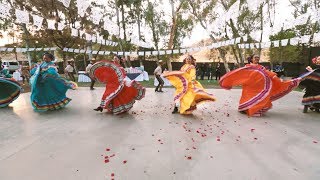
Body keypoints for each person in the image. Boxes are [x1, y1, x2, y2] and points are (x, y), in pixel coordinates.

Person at [219, 54, 301, 117]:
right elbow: (243, 75)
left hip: (260, 87)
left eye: (258, 58)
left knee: (261, 97)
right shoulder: (248, 67)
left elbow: (267, 73)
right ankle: (244, 109)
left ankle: (254, 109)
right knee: (246, 97)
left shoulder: (261, 67)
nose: (257, 59)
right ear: (251, 59)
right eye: (255, 57)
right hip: (250, 86)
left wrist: (273, 76)